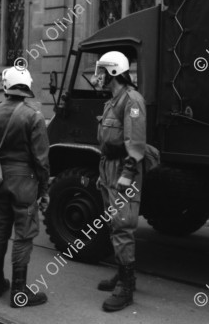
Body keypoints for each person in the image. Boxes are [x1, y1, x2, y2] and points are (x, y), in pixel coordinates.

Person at [0, 66, 50, 308]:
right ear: (27, 87)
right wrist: (44, 190)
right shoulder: (34, 117)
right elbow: (41, 160)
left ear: (5, 86)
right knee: (24, 233)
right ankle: (20, 293)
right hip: (24, 183)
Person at [91, 51, 146, 312]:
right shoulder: (112, 100)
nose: (97, 76)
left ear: (113, 72)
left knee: (123, 225)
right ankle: (123, 273)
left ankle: (126, 287)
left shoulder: (132, 100)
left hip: (124, 169)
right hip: (109, 167)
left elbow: (135, 144)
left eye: (101, 71)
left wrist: (127, 174)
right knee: (114, 224)